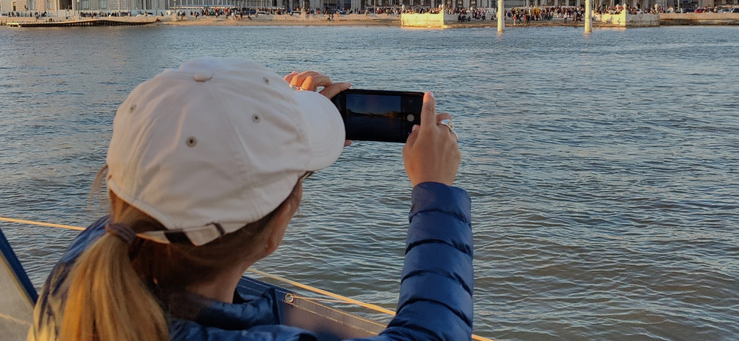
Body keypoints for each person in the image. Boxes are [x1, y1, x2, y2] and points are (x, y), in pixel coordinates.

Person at [29, 57, 472, 341]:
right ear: (274, 233)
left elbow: (185, 179)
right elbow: (433, 335)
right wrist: (434, 188)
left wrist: (275, 142)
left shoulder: (76, 276)